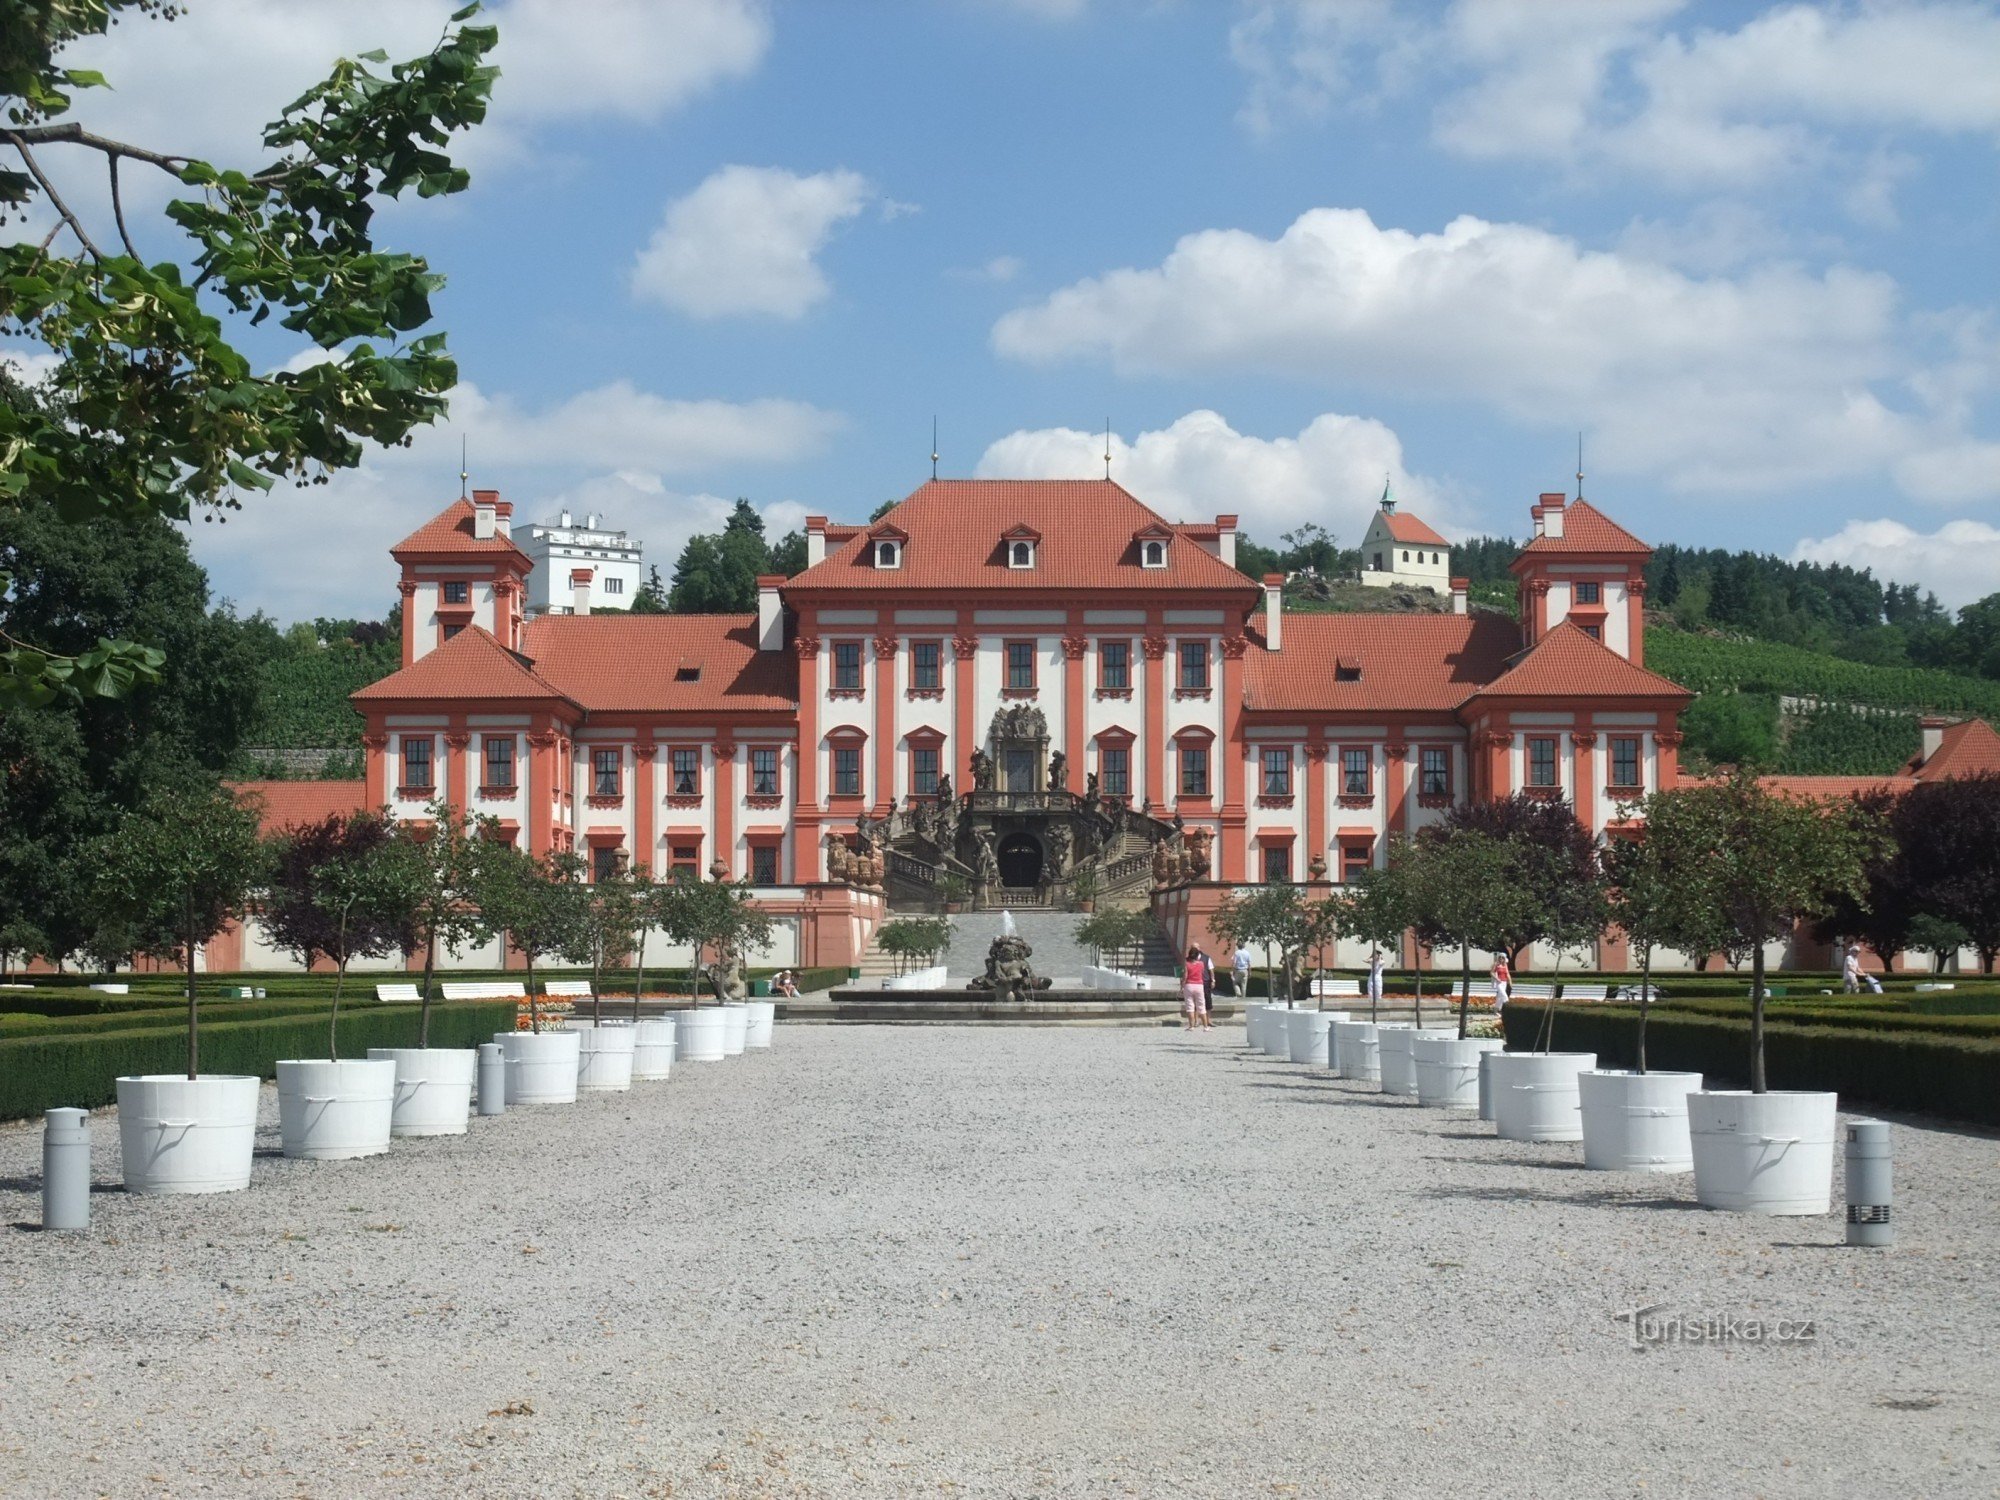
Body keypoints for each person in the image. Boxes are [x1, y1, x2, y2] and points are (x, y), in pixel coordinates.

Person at [1181, 947, 1207, 1030]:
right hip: (1199, 985)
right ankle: (1206, 1027)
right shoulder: (1201, 964)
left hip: (1189, 985)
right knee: (1201, 1006)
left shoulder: (1187, 964)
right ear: (1197, 956)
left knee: (1190, 1006)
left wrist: (1182, 986)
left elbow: (1185, 976)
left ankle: (1191, 1026)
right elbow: (1202, 973)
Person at [1367, 946, 1387, 1010]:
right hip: (1371, 976)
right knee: (1370, 989)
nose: (1374, 955)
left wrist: (1380, 957)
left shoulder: (1382, 961)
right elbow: (1365, 960)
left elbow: (1380, 963)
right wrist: (1371, 957)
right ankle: (1370, 1004)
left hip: (1377, 978)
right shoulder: (1372, 961)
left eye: (1375, 954)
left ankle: (1379, 1005)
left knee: (1378, 991)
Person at [1200, 948, 1216, 1024]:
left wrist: (1213, 980)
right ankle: (1196, 1021)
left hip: (1205, 982)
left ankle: (1208, 1020)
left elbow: (1211, 969)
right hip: (1196, 983)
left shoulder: (1206, 958)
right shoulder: (1190, 958)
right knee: (1196, 1001)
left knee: (1208, 1000)